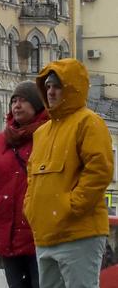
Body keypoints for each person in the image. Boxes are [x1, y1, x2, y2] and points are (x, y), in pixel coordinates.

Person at [23, 58, 114, 288]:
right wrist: (31, 209)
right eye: (48, 86)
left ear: (72, 87)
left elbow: (99, 170)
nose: (51, 91)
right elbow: (33, 178)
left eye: (57, 85)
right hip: (46, 234)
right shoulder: (41, 133)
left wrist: (71, 206)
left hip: (79, 233)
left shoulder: (89, 122)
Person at [0, 81, 48, 288]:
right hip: (7, 232)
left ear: (37, 105)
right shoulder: (2, 140)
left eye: (23, 100)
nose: (16, 105)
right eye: (14, 101)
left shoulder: (49, 134)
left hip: (38, 233)